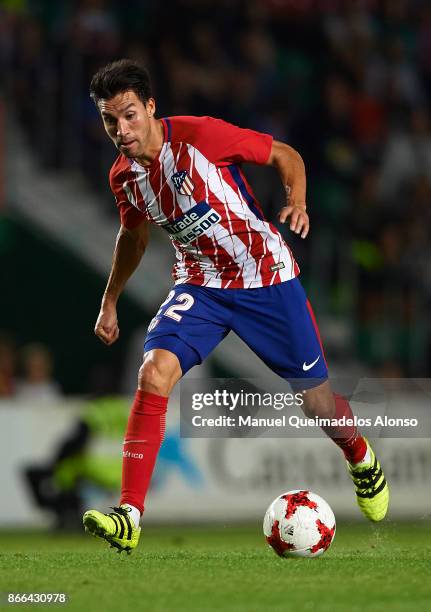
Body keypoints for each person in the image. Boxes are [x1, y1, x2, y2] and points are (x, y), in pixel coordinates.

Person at [83, 59, 389, 554]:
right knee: (153, 374)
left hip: (265, 278)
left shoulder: (200, 136)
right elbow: (133, 237)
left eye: (130, 115)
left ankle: (359, 456)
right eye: (109, 120)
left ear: (151, 108)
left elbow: (285, 155)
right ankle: (129, 515)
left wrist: (299, 201)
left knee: (317, 402)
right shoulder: (124, 177)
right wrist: (110, 300)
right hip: (201, 287)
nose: (121, 130)